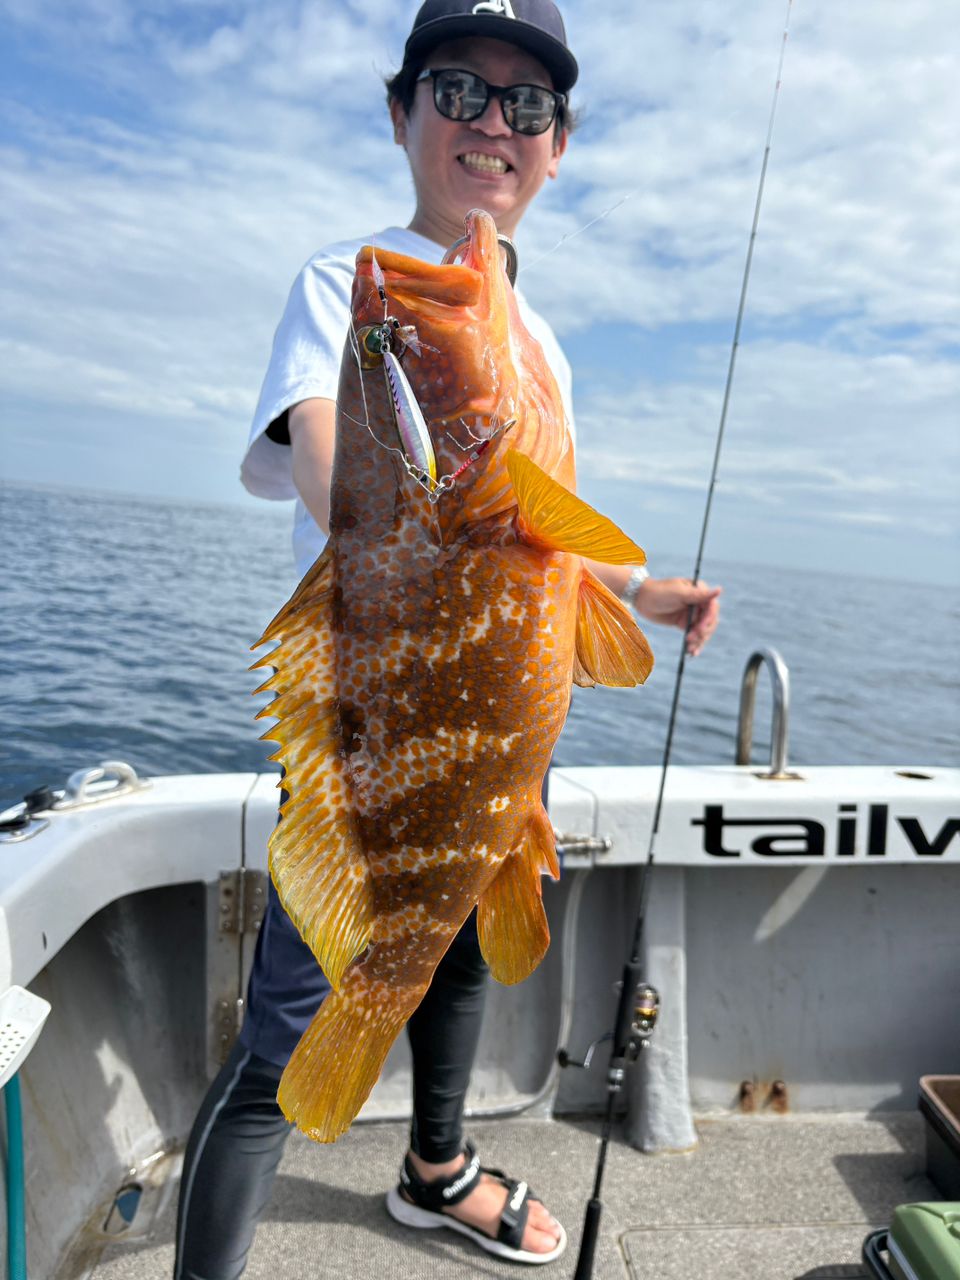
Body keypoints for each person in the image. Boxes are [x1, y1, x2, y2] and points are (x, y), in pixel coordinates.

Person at [174, 2, 721, 1275]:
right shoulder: (354, 285)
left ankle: (435, 1169)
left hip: (504, 733)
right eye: (458, 88)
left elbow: (541, 526)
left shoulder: (543, 345)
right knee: (288, 1032)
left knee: (467, 944)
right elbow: (333, 460)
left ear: (558, 145)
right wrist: (415, 511)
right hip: (384, 731)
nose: (492, 121)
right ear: (401, 111)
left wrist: (640, 590)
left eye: (527, 102)